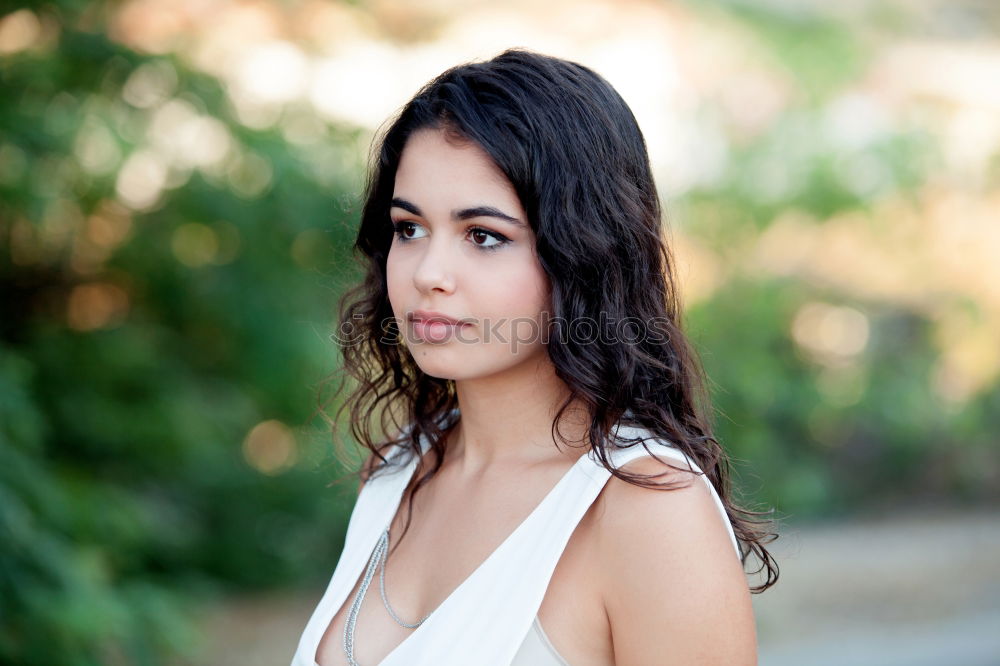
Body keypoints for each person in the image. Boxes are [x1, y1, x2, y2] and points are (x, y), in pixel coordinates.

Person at [292, 48, 778, 666]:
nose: (429, 273)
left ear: (583, 253)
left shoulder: (647, 508)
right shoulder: (399, 469)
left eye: (484, 236)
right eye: (409, 228)